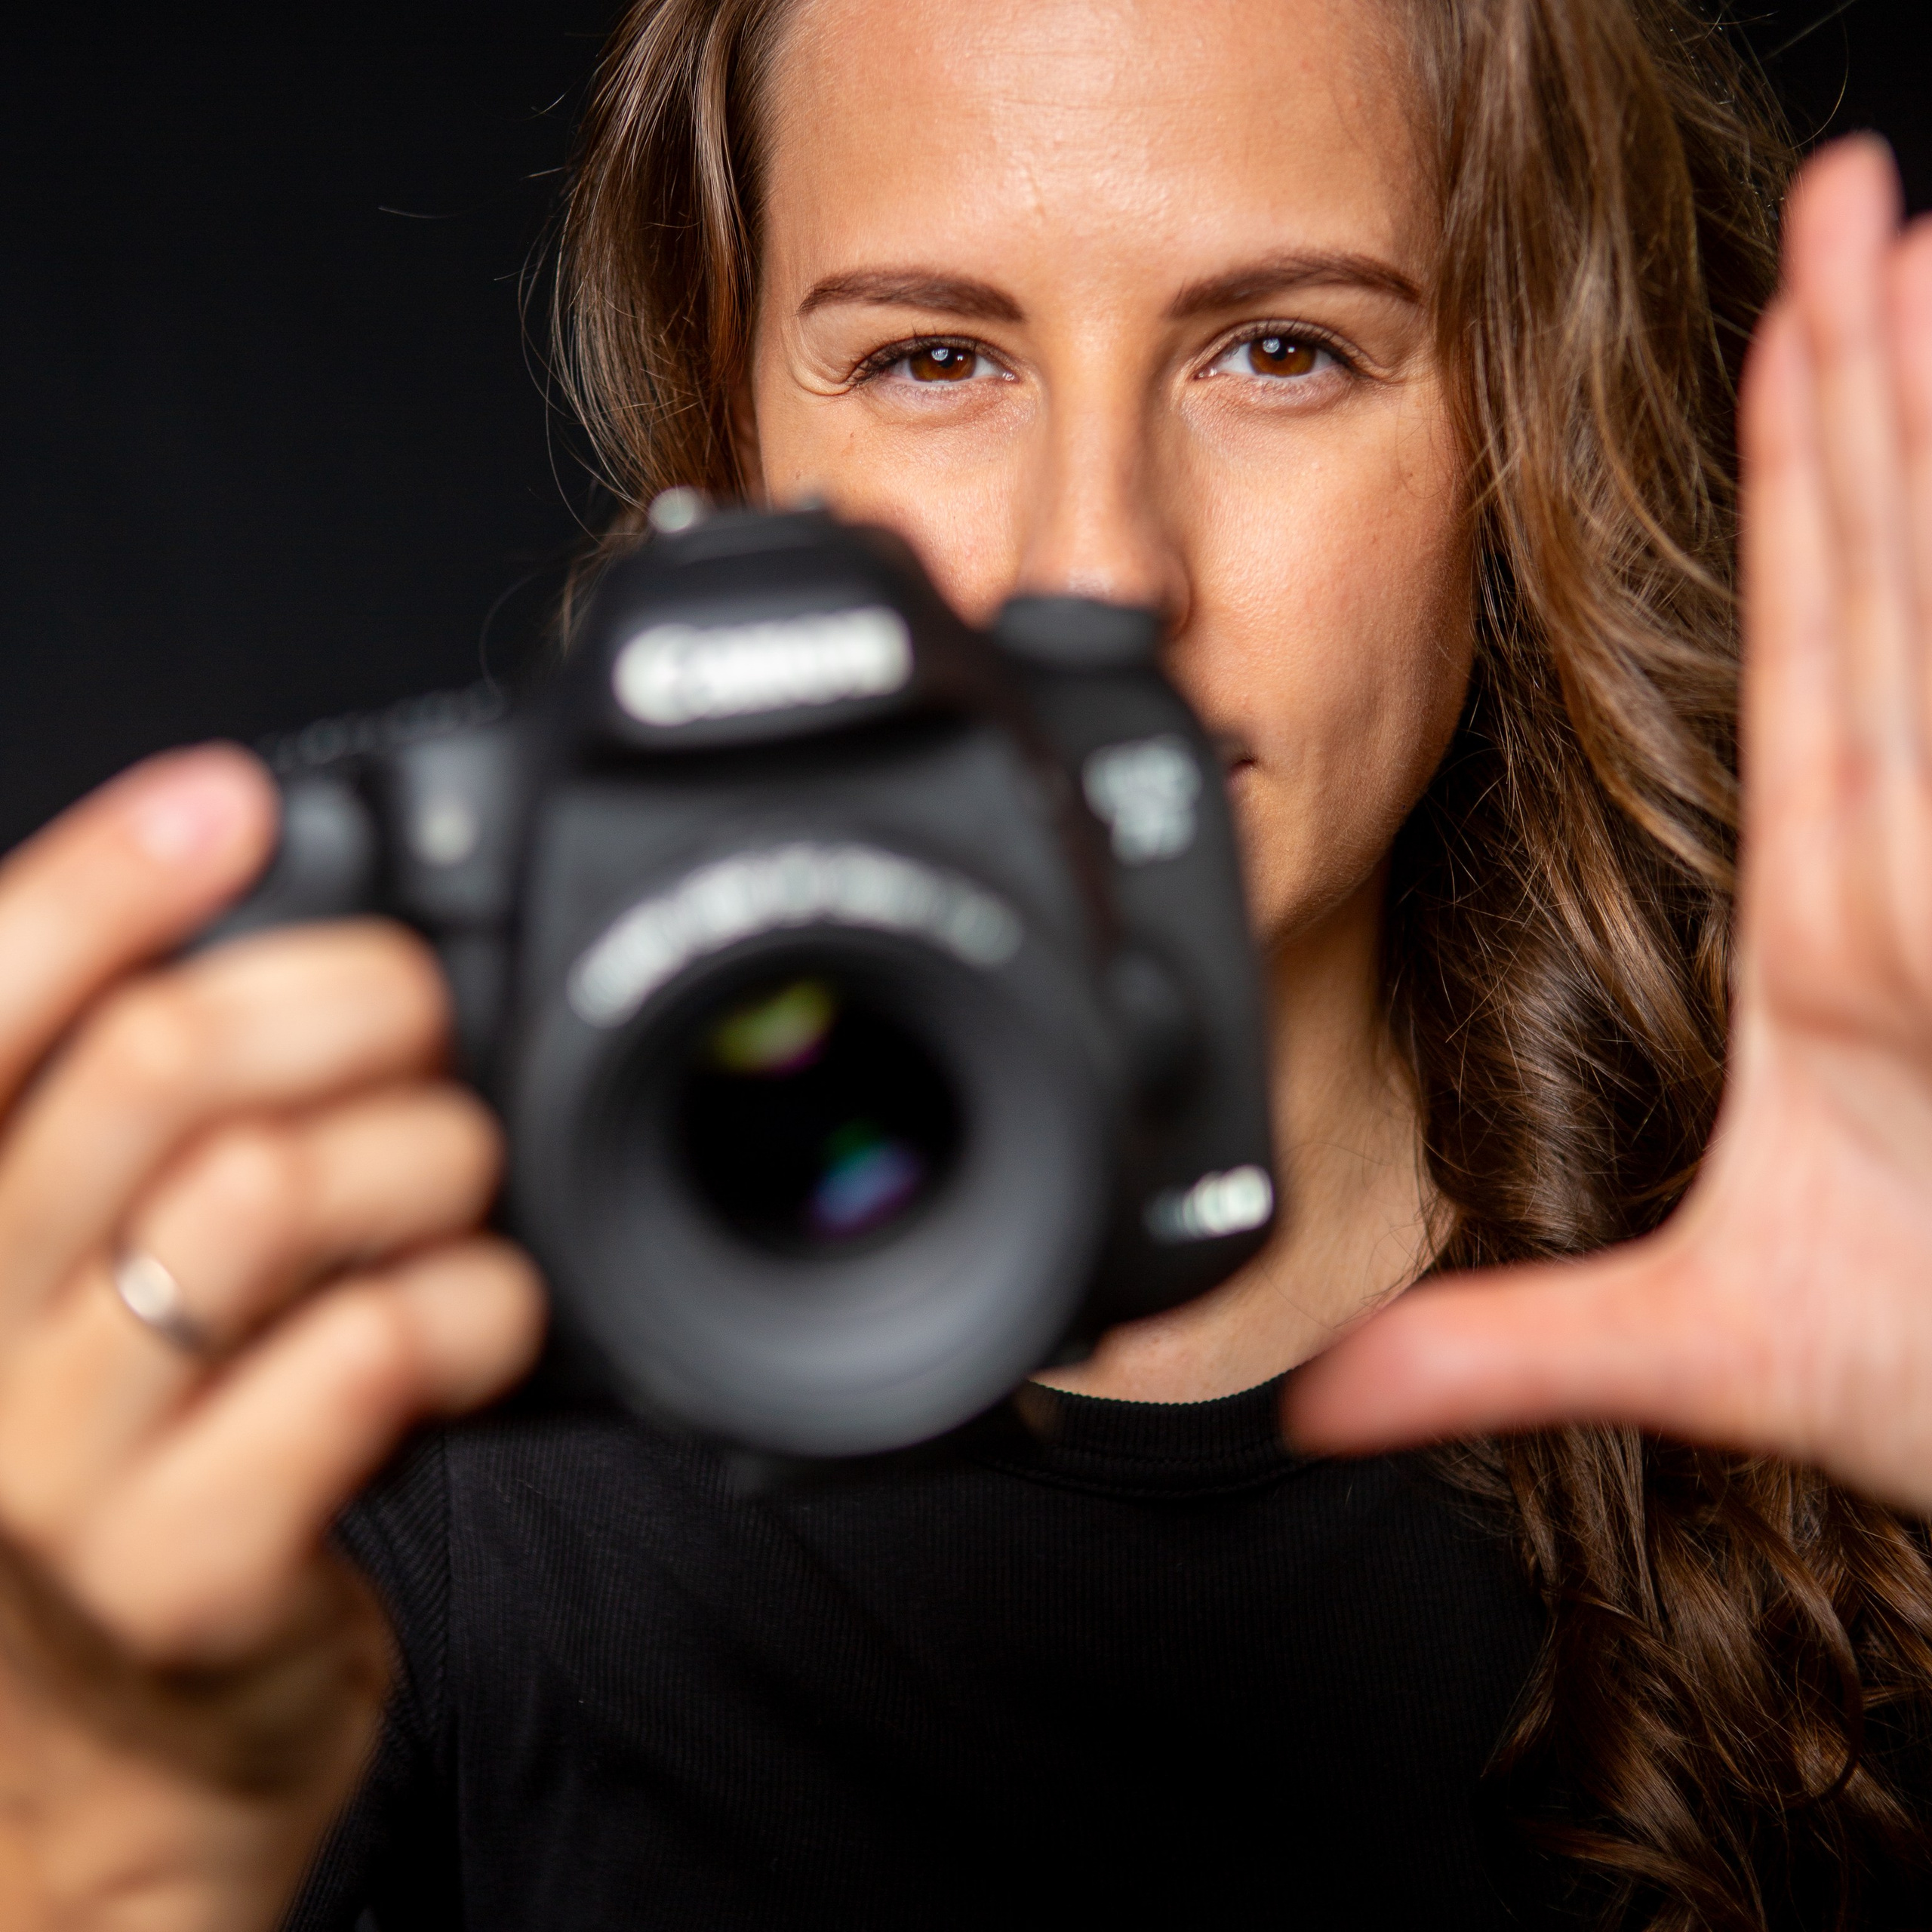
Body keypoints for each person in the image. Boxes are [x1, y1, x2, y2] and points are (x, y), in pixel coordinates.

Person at [4, 0, 1932, 1927]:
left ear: (1517, 426)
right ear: (733, 412)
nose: (1093, 567)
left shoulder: (1834, 1303)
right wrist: (96, 1867)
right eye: (933, 356)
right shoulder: (362, 1388)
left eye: (1283, 351)